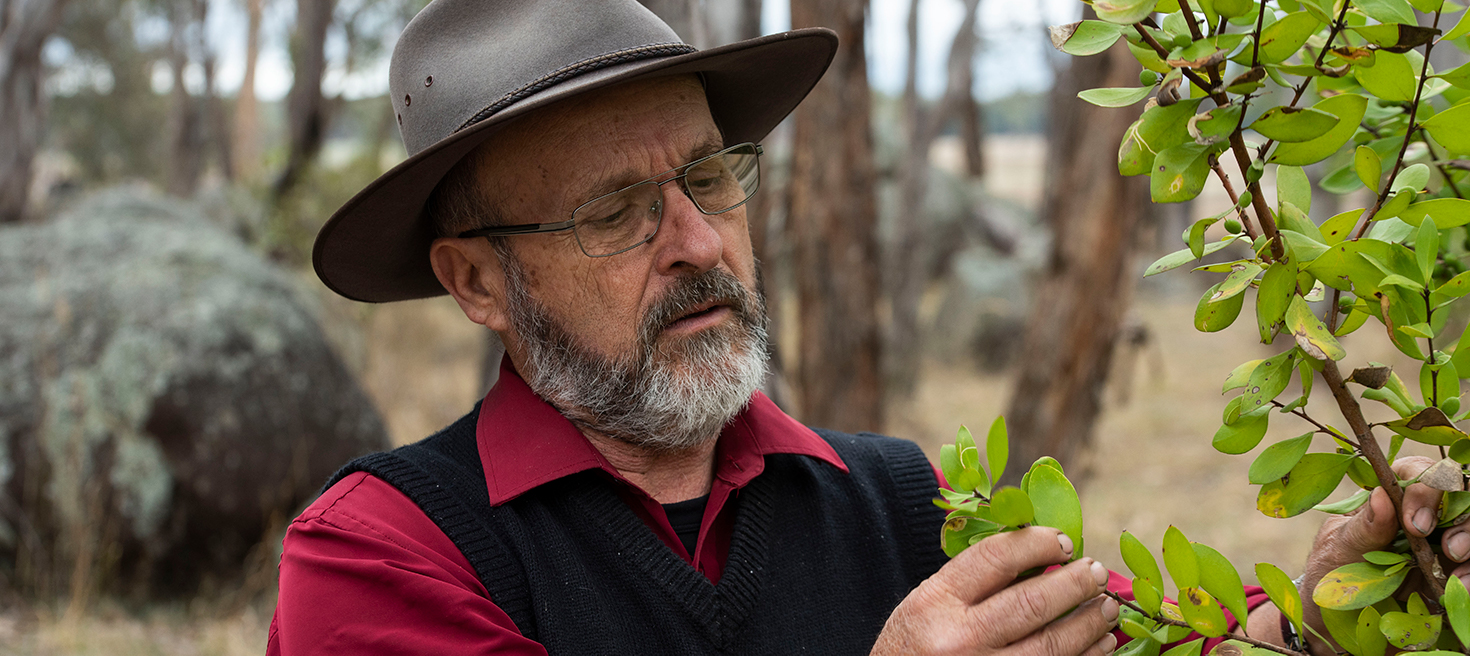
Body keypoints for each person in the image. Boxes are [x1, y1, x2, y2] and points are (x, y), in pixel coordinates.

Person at [267, 0, 1470, 654]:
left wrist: (1316, 623)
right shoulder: (385, 553)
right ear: (477, 282)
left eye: (709, 175)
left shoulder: (903, 500)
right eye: (616, 211)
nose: (697, 241)